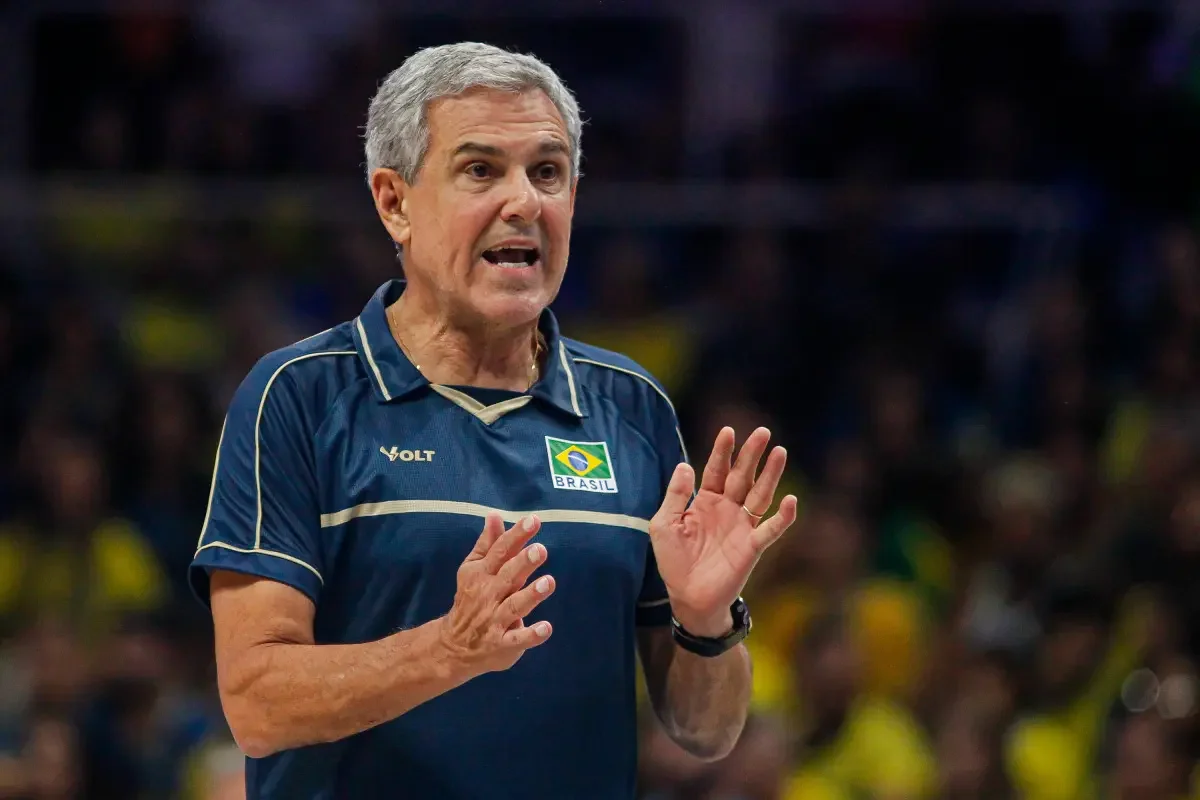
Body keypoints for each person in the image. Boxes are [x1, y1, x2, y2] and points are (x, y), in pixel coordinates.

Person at [189, 41, 798, 799]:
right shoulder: (297, 397)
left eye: (548, 172)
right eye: (481, 170)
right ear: (394, 202)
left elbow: (705, 732)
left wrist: (706, 621)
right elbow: (256, 702)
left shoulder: (633, 407)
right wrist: (448, 650)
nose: (524, 202)